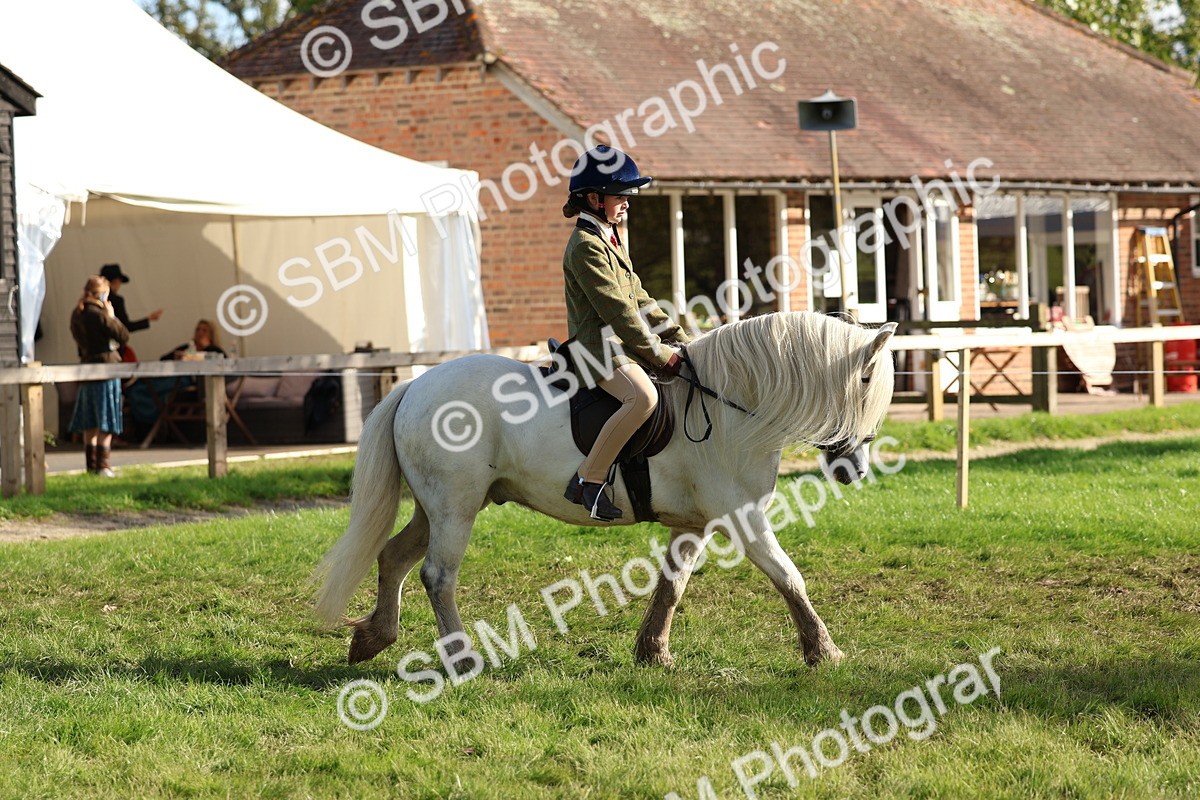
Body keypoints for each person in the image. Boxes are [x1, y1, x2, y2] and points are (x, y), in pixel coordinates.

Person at [561, 145, 691, 520]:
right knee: (643, 397)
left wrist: (679, 337)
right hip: (597, 350)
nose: (627, 204)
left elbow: (641, 299)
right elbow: (620, 314)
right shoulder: (585, 246)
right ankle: (588, 480)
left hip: (621, 345)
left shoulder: (610, 237)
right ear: (593, 199)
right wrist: (661, 355)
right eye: (621, 196)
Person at [68, 276, 130, 477]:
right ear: (101, 293)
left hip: (87, 369)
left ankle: (91, 466)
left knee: (90, 421)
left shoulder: (77, 314)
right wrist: (111, 316)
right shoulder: (99, 314)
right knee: (105, 419)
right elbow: (123, 336)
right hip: (105, 370)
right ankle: (103, 466)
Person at [99, 263, 163, 359]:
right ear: (116, 281)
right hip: (112, 349)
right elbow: (125, 326)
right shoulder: (116, 301)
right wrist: (148, 319)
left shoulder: (93, 302)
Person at [160, 319, 226, 361]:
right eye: (198, 330)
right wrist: (176, 357)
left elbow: (226, 362)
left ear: (211, 334)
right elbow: (163, 359)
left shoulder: (216, 350)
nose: (200, 333)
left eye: (204, 331)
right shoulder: (187, 348)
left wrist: (208, 347)